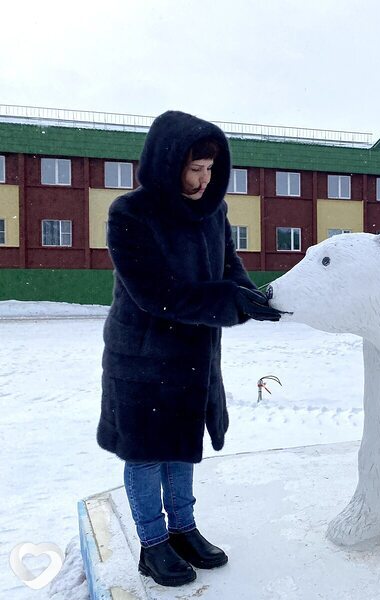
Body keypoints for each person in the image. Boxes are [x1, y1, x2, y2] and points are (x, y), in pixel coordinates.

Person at [97, 110, 281, 587]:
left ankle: (183, 530)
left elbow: (228, 264)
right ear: (167, 162)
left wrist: (248, 295)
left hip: (193, 354)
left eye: (210, 170)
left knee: (181, 446)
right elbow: (157, 294)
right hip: (140, 356)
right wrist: (228, 302)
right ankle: (152, 545)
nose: (204, 179)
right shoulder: (130, 214)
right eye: (194, 168)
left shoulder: (212, 211)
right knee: (145, 452)